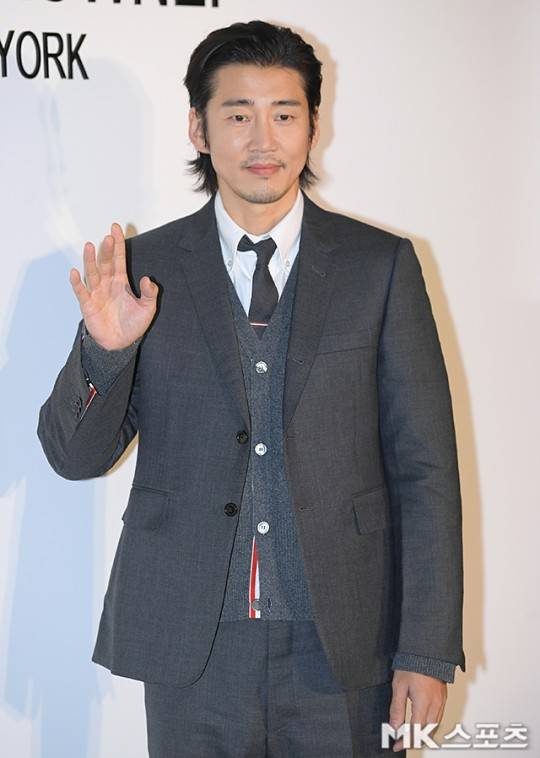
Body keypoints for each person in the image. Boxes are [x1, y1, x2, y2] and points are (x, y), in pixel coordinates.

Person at [37, 19, 465, 758]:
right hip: (192, 647)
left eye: (284, 115)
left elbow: (425, 471)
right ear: (198, 129)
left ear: (313, 127)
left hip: (345, 642)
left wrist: (424, 651)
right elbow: (73, 459)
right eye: (238, 115)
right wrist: (106, 351)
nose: (263, 140)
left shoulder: (380, 266)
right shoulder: (141, 269)